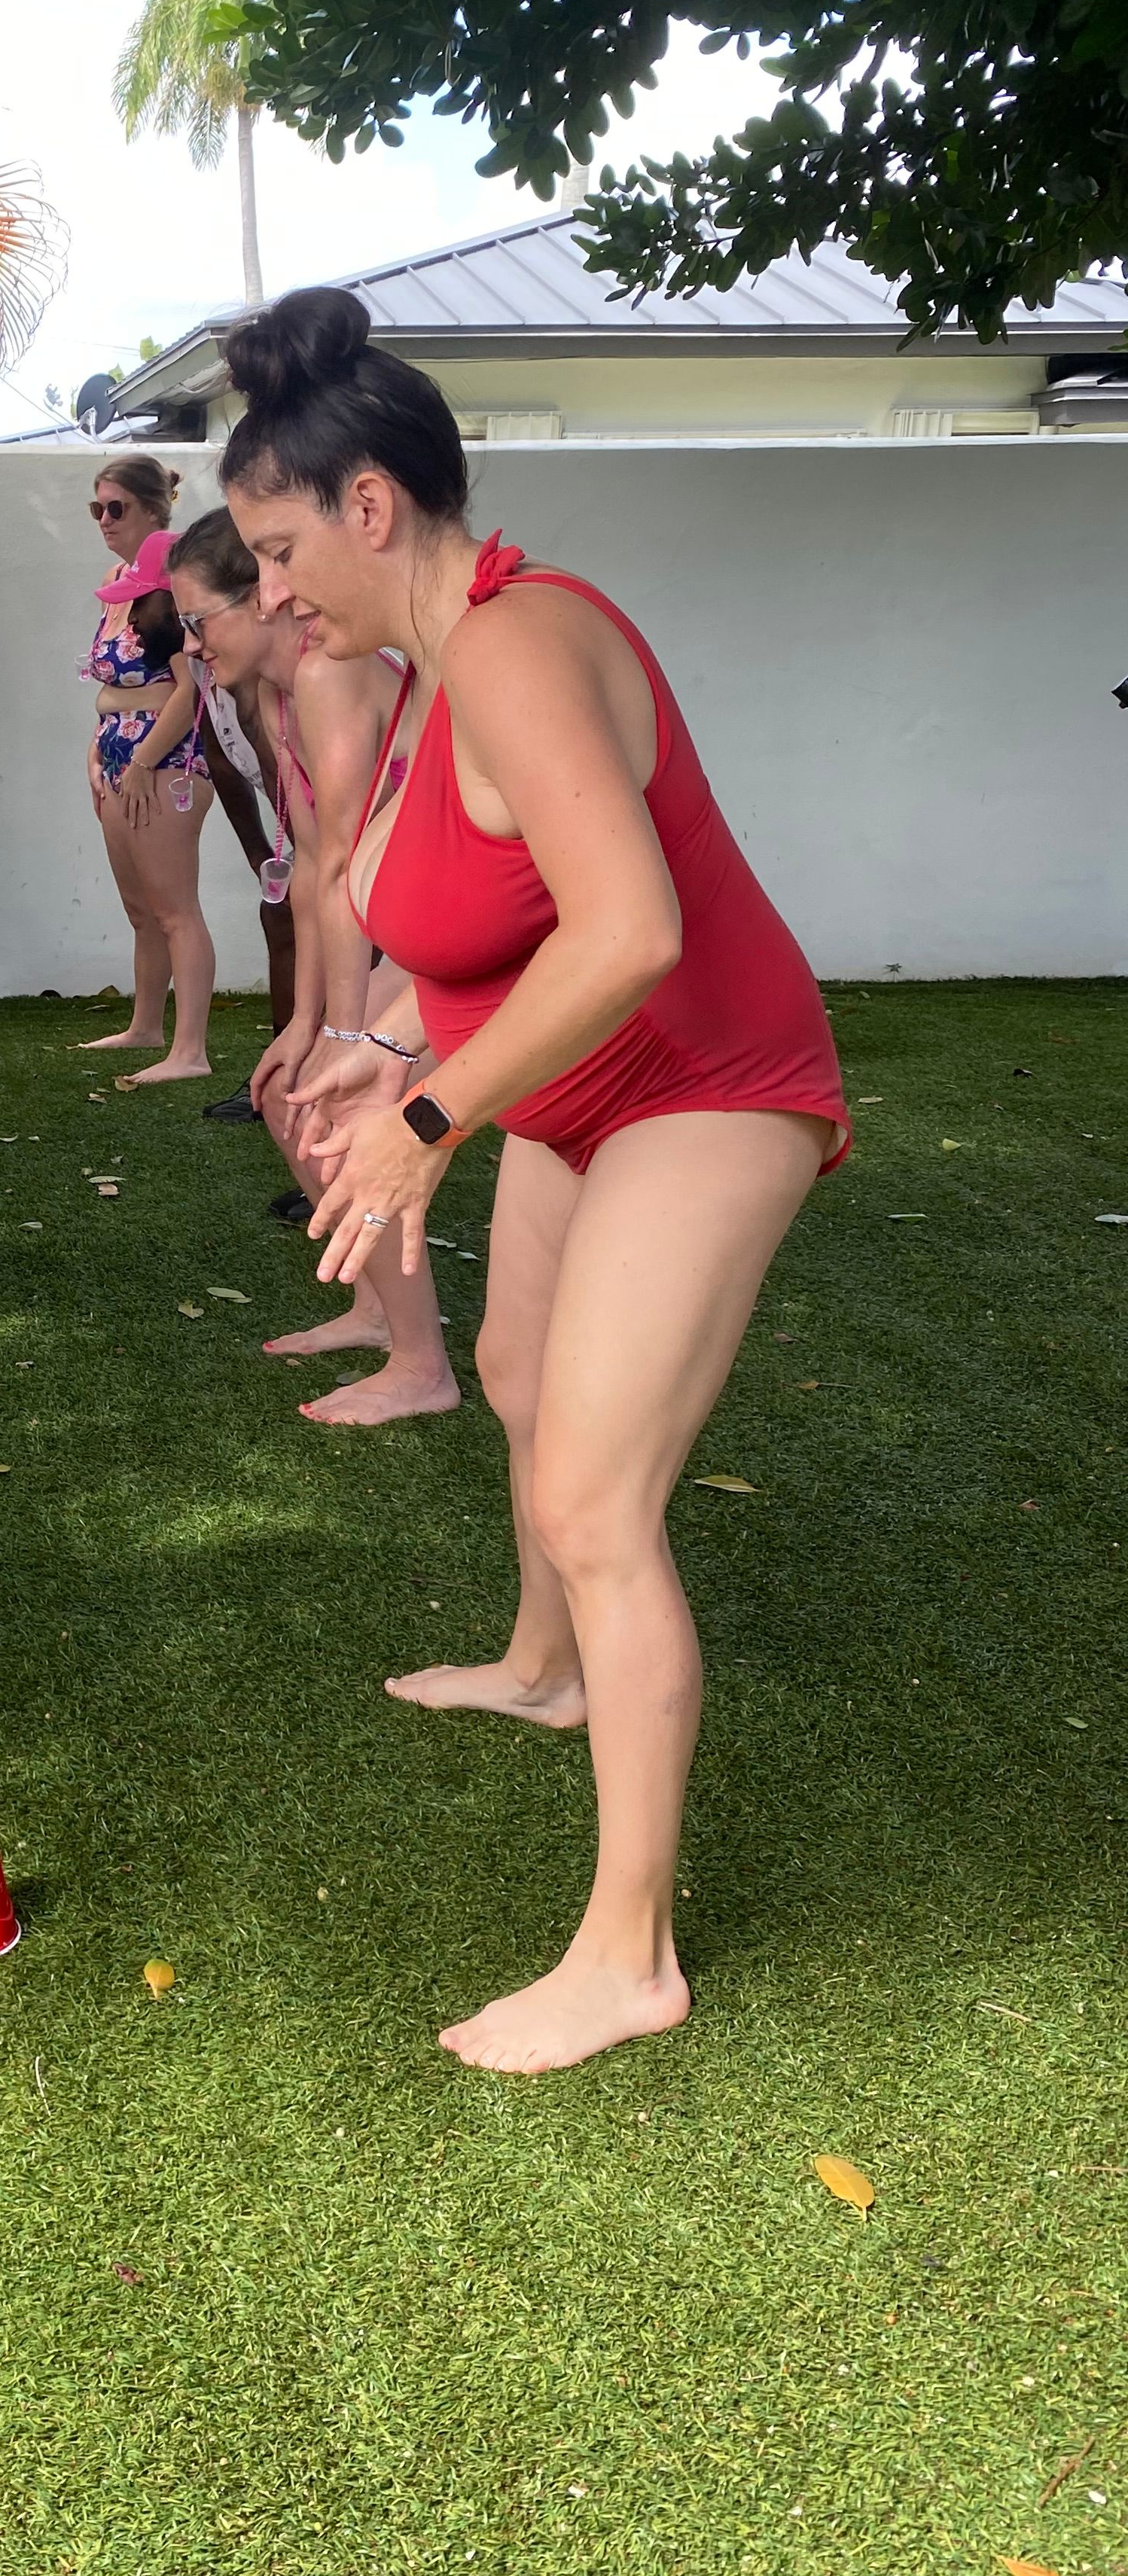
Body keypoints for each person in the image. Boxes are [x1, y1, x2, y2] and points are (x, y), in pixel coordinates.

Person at [221, 287, 849, 2075]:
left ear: (368, 507)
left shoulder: (518, 642)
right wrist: (401, 1054)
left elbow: (633, 927)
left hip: (714, 1080)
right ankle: (544, 1667)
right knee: (507, 1379)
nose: (271, 594)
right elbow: (497, 932)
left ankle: (629, 1954)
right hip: (589, 1092)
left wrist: (430, 1127)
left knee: (596, 1495)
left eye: (277, 552)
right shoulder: (435, 676)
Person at [167, 507, 456, 1430]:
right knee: (289, 1093)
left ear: (261, 604)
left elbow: (339, 874)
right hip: (422, 953)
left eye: (200, 620)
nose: (192, 643)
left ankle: (422, 1366)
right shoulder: (276, 695)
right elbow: (302, 876)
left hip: (485, 956)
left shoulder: (331, 674)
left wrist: (345, 1035)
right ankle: (381, 1312)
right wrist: (304, 1027)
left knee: (338, 1104)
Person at [71, 458, 215, 1087]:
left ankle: (191, 1052)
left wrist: (145, 760)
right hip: (117, 757)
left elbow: (190, 689)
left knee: (176, 908)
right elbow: (108, 685)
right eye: (97, 508)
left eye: (117, 508)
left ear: (155, 509)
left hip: (168, 760)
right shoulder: (116, 582)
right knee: (141, 909)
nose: (104, 520)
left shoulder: (178, 584)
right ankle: (146, 1027)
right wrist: (97, 754)